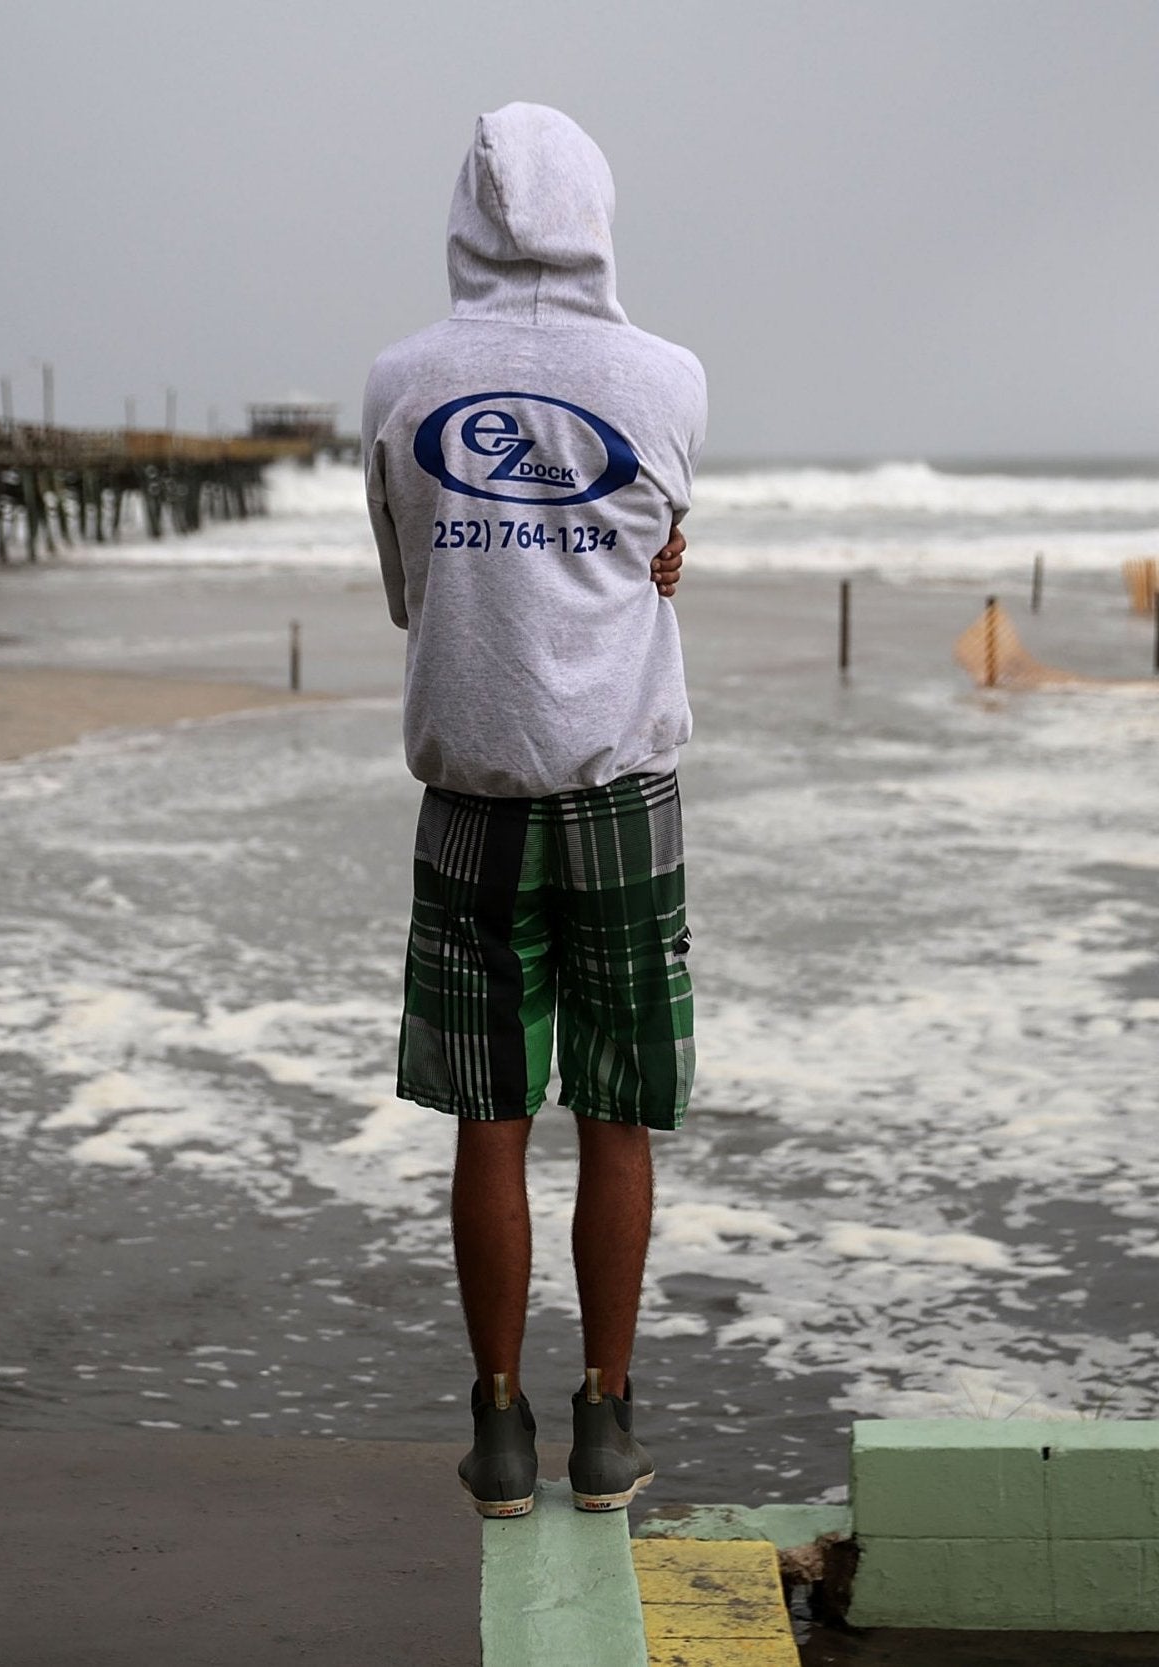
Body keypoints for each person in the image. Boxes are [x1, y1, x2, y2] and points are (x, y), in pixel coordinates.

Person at [361, 102, 706, 1518]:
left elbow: (408, 593)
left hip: (469, 794)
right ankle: (607, 1423)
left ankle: (498, 1428)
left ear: (463, 217)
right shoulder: (668, 377)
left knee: (487, 1119)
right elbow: (658, 549)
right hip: (622, 788)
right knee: (615, 1116)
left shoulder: (400, 376)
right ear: (596, 213)